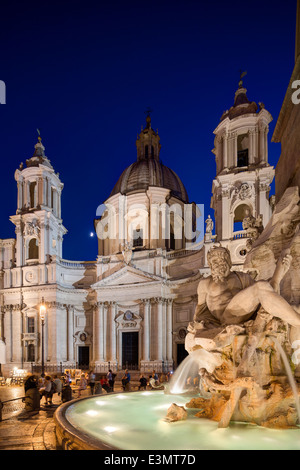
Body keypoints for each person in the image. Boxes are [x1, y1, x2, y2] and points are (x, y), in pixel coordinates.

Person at [193, 245, 300, 328]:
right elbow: (200, 311)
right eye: (215, 262)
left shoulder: (240, 277)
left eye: (222, 260)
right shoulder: (205, 283)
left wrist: (279, 273)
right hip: (227, 317)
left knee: (265, 286)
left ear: (228, 262)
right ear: (210, 265)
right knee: (261, 286)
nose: (219, 264)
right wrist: (198, 326)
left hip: (243, 313)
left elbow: (266, 292)